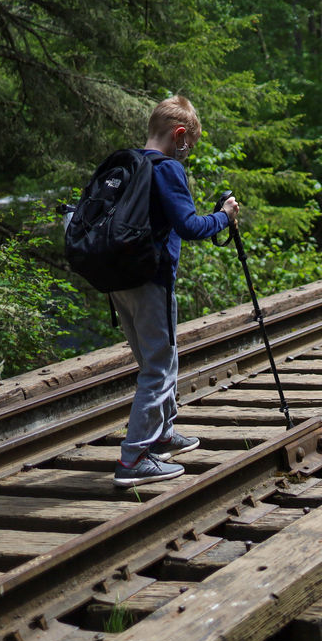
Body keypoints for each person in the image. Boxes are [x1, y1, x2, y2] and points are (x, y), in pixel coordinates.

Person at [112, 96, 240, 486]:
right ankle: (134, 459)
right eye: (190, 145)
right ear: (179, 135)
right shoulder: (167, 169)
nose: (188, 153)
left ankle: (163, 432)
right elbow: (189, 227)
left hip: (118, 281)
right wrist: (224, 216)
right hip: (152, 280)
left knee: (157, 360)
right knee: (158, 368)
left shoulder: (128, 162)